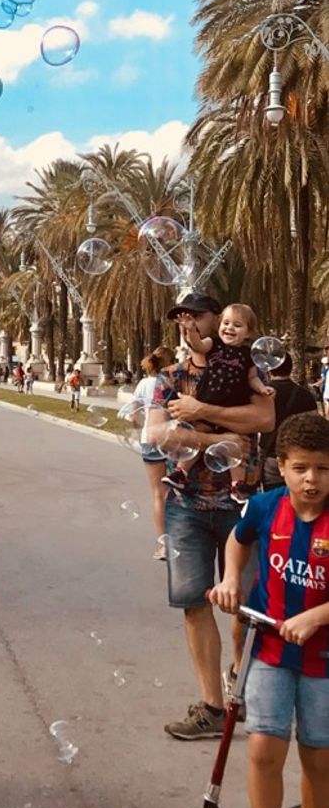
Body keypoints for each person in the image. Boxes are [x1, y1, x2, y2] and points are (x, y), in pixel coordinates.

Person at [151, 292, 275, 741]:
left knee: (249, 606)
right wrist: (217, 439)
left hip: (242, 506)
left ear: (217, 319)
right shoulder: (168, 377)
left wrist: (201, 413)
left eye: (194, 316)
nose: (186, 324)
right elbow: (156, 434)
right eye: (179, 318)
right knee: (194, 604)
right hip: (186, 507)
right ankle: (212, 707)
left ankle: (240, 682)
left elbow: (264, 418)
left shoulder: (244, 368)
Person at [209, 412, 329, 808]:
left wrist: (316, 618)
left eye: (323, 468)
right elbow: (238, 540)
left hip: (323, 662)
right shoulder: (264, 507)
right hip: (270, 652)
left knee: (319, 758)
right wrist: (230, 580)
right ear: (281, 465)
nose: (312, 479)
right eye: (300, 468)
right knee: (263, 751)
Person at [181, 302, 275, 496]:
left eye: (237, 325)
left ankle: (237, 484)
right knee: (198, 434)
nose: (230, 328)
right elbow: (197, 345)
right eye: (226, 323)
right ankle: (181, 472)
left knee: (235, 447)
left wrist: (263, 388)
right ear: (219, 325)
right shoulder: (213, 345)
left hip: (234, 407)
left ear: (248, 333)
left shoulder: (249, 355)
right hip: (208, 400)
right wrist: (191, 331)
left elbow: (252, 378)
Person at [132, 345, 175, 560]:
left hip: (150, 440)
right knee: (176, 492)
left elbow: (133, 415)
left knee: (159, 494)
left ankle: (164, 545)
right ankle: (180, 539)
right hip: (174, 441)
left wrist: (137, 426)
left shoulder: (143, 384)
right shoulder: (173, 382)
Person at [259, 352, 318, 490]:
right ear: (291, 368)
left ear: (270, 368)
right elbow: (315, 429)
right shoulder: (305, 395)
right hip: (300, 458)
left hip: (271, 456)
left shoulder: (262, 395)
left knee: (275, 502)